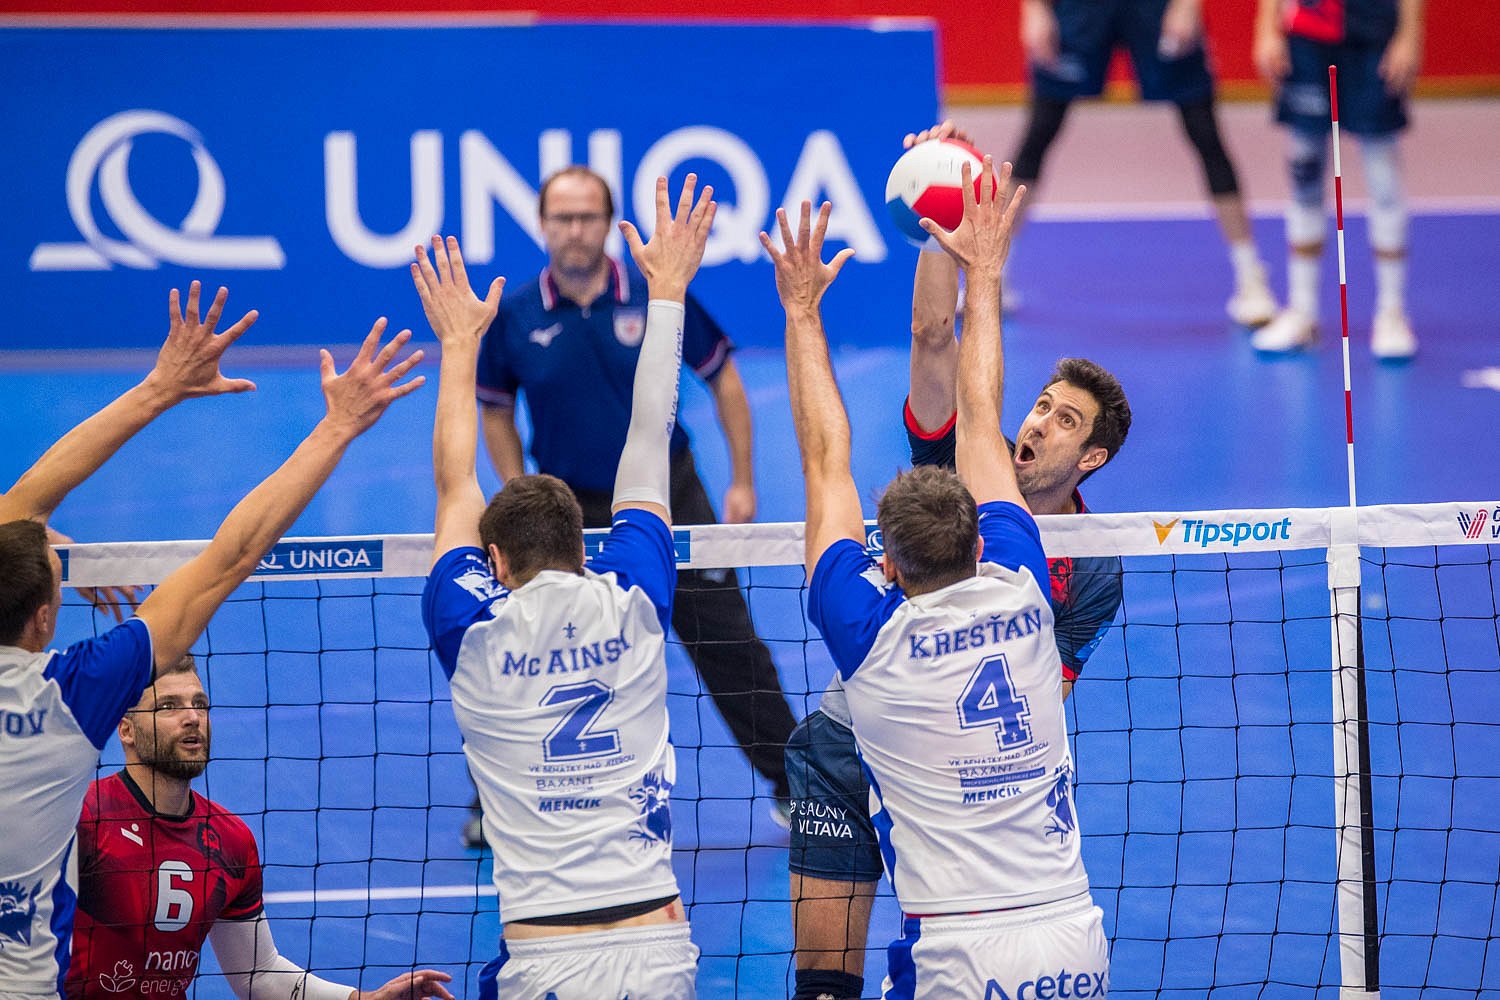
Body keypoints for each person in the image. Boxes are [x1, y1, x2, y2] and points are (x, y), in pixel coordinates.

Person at [783, 124, 1132, 1000]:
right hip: (852, 742)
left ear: (1092, 458)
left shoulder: (1090, 571)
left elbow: (826, 463)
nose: (1036, 423)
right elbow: (939, 344)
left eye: (1064, 421)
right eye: (1040, 405)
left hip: (953, 778)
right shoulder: (974, 502)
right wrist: (948, 232)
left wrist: (804, 310)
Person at [0, 282, 423, 996]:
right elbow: (233, 554)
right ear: (45, 617)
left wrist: (157, 389)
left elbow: (18, 508)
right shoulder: (73, 693)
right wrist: (337, 427)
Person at [415, 174, 714, 999]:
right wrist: (668, 293)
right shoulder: (635, 603)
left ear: (495, 563)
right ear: (586, 549)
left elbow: (454, 486)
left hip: (543, 961)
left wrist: (458, 346)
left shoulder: (471, 629)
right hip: (658, 948)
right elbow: (649, 438)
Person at [468, 166, 798, 842]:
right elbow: (494, 408)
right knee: (537, 644)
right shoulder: (517, 315)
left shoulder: (655, 294)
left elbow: (724, 381)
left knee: (728, 641)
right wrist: (515, 487)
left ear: (608, 223)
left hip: (669, 497)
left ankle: (797, 785)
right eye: (562, 218)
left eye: (587, 216)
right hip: (565, 510)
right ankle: (492, 800)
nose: (575, 230)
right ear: (543, 225)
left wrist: (742, 481)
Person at [65, 655, 452, 1000]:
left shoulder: (229, 839)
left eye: (200, 704)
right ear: (126, 730)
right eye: (168, 706)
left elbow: (259, 974)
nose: (192, 717)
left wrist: (362, 999)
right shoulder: (82, 818)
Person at [1010, 0, 1276, 325]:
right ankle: (994, 273)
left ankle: (1250, 276)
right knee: (1039, 132)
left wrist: (1187, 5)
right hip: (1080, 10)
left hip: (1157, 7)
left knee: (1205, 133)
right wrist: (1034, 10)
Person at [1251, 0, 1422, 359]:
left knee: (1383, 177)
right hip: (1308, 38)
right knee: (1304, 174)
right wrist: (1267, 28)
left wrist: (1409, 35)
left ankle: (1392, 314)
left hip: (1373, 36)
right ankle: (1302, 312)